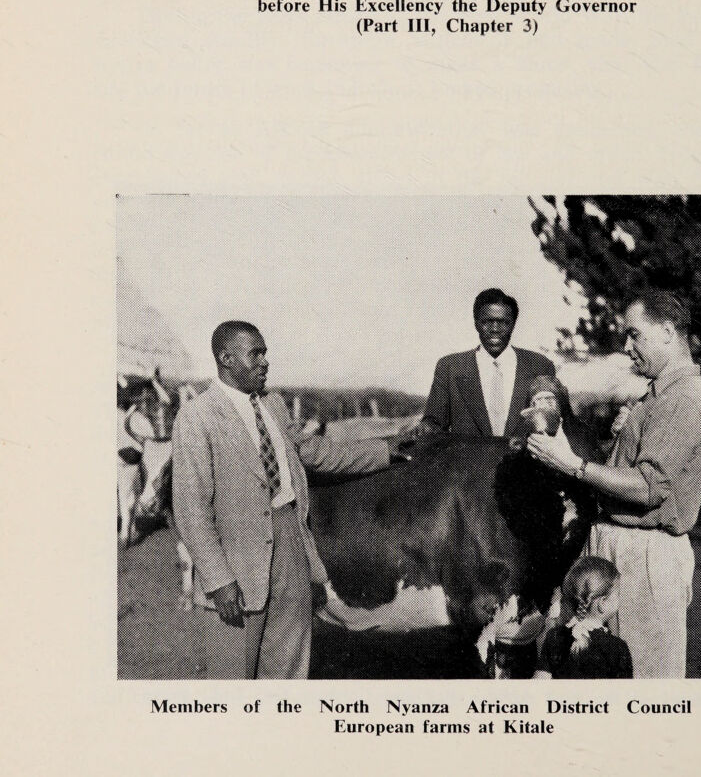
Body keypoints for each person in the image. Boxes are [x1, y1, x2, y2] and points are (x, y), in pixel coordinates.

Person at [172, 320, 400, 680]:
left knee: (289, 668)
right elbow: (191, 509)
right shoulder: (196, 416)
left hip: (292, 545)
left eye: (265, 353)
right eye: (255, 354)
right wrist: (218, 580)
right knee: (232, 675)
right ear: (226, 358)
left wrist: (387, 452)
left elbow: (314, 453)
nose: (265, 362)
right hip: (237, 560)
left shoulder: (274, 405)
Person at [526, 290, 701, 679]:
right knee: (581, 675)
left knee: (643, 687)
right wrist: (618, 441)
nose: (626, 347)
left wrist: (573, 464)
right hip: (613, 548)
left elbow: (650, 489)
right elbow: (627, 475)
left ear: (667, 332)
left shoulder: (684, 399)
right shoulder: (656, 397)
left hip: (643, 557)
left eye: (634, 334)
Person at [422, 288, 556, 440]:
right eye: (487, 322)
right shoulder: (449, 367)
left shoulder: (540, 366)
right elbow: (433, 423)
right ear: (476, 323)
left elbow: (551, 426)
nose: (494, 329)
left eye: (503, 322)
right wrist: (426, 426)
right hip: (468, 463)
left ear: (513, 324)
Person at [534, 557, 633, 679]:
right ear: (603, 603)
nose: (620, 599)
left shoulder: (554, 636)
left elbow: (539, 684)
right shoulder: (618, 648)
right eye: (618, 595)